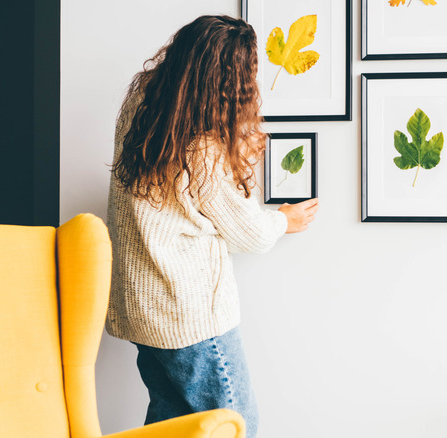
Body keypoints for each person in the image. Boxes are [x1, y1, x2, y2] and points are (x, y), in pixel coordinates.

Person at [106, 15, 318, 438]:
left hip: (139, 310)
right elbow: (250, 233)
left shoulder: (142, 103)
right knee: (236, 424)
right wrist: (284, 220)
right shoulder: (202, 147)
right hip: (188, 317)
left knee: (170, 425)